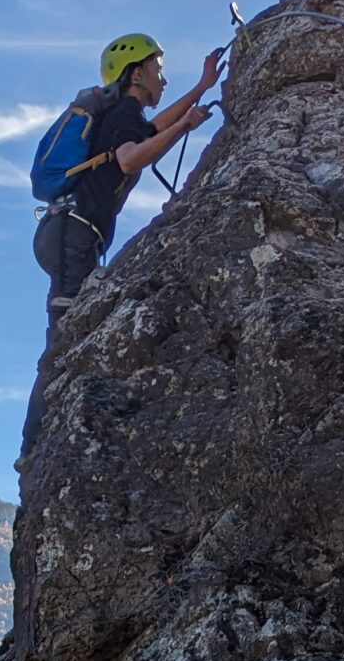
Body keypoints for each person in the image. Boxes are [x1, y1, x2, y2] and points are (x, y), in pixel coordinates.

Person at [22, 34, 226, 461]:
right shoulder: (122, 113)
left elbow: (154, 128)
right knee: (60, 341)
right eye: (158, 69)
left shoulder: (124, 114)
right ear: (138, 73)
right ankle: (34, 447)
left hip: (72, 233)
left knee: (68, 332)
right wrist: (186, 124)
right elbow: (132, 157)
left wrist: (203, 88)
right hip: (74, 234)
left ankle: (39, 442)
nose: (162, 79)